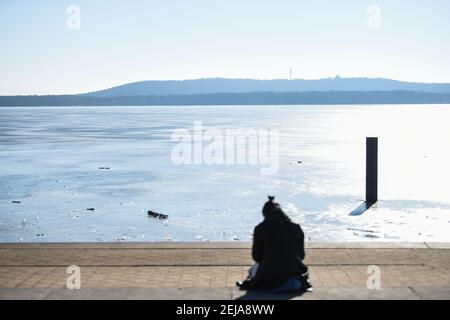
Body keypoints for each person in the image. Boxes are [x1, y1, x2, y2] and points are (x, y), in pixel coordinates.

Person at [237, 196, 312, 293]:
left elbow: (257, 257)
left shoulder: (260, 229)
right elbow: (301, 256)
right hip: (293, 271)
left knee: (253, 270)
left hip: (269, 275)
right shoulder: (296, 228)